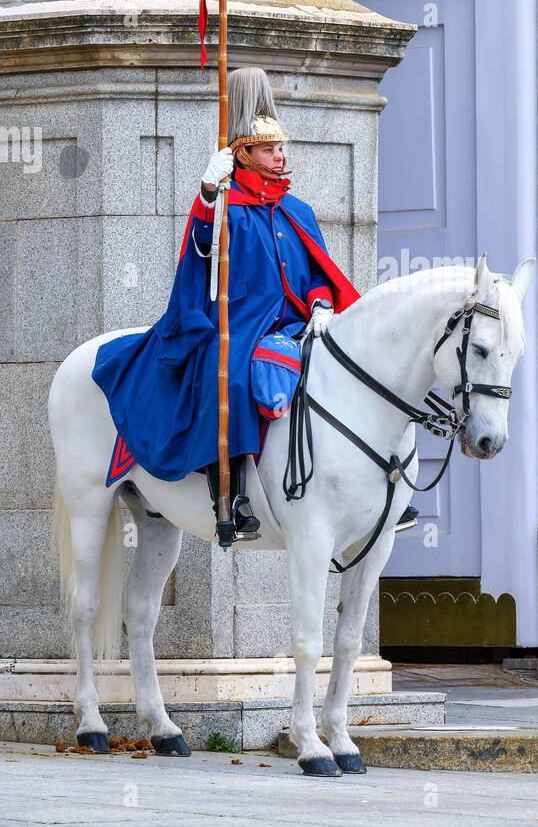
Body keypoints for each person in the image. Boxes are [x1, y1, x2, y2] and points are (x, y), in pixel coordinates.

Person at [93, 67, 419, 542]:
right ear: (243, 153)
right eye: (269, 149)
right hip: (242, 319)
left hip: (298, 321)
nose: (280, 156)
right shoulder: (226, 204)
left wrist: (322, 304)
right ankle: (229, 493)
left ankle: (386, 492)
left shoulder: (297, 209)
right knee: (233, 372)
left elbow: (315, 274)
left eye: (282, 148)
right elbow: (199, 252)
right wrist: (208, 194)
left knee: (365, 371)